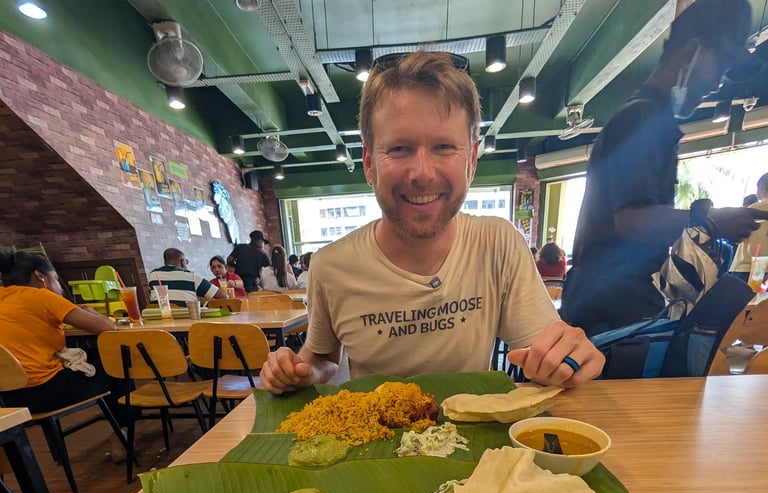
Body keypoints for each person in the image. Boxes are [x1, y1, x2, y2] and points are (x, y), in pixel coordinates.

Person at [259, 51, 604, 393]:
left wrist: (567, 359)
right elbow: (323, 359)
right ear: (368, 163)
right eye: (399, 149)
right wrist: (297, 371)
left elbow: (542, 360)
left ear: (471, 159)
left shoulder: (498, 243)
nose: (422, 173)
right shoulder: (330, 265)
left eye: (443, 146)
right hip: (373, 443)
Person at [560, 0, 768, 337]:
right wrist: (711, 220)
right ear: (693, 51)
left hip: (606, 301)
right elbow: (630, 221)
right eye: (721, 66)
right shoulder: (643, 120)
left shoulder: (647, 117)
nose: (719, 83)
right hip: (608, 306)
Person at [0, 249, 130, 428]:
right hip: (44, 392)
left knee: (96, 356)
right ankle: (125, 429)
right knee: (117, 358)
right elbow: (109, 329)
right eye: (56, 278)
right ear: (40, 276)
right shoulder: (42, 296)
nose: (60, 287)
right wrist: (92, 312)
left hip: (7, 398)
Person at [150, 248, 222, 306]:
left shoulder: (153, 275)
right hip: (189, 321)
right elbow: (223, 296)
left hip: (159, 322)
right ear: (182, 262)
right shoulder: (191, 276)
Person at [730, 173, 768, 282]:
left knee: (748, 298)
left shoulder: (753, 210)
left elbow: (736, 238)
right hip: (760, 266)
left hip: (749, 266)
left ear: (761, 188)